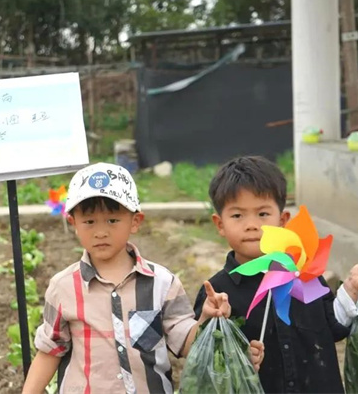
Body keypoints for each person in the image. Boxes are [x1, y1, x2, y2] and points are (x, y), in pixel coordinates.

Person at [22, 162, 263, 394]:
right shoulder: (64, 287)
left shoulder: (162, 283)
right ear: (73, 223)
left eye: (113, 220)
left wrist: (205, 319)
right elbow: (50, 350)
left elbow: (186, 344)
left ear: (135, 222)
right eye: (89, 222)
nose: (101, 232)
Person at [193, 155, 358, 393]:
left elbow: (334, 327)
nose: (252, 225)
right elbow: (204, 360)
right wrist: (238, 358)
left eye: (263, 214)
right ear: (220, 224)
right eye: (237, 215)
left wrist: (351, 289)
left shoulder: (305, 275)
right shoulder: (216, 294)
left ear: (282, 221)